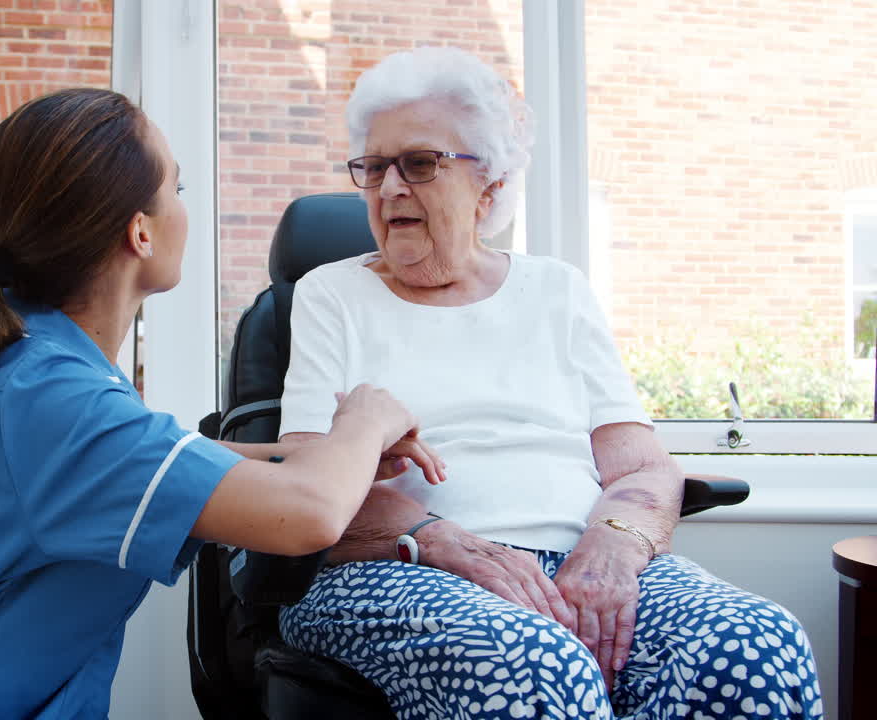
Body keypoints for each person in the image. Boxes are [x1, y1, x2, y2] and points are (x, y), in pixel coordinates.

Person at [276, 47, 824, 720]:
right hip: (401, 565)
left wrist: (614, 546)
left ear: (491, 184)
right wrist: (452, 546)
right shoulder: (331, 295)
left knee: (753, 642)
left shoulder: (557, 290)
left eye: (418, 164)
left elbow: (641, 466)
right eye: (373, 167)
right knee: (531, 662)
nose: (389, 188)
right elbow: (301, 480)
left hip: (575, 556)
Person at [0, 88, 445, 719]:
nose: (184, 209)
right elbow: (310, 515)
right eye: (178, 187)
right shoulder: (53, 398)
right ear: (140, 232)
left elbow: (167, 457)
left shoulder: (40, 362)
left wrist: (326, 455)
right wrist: (365, 418)